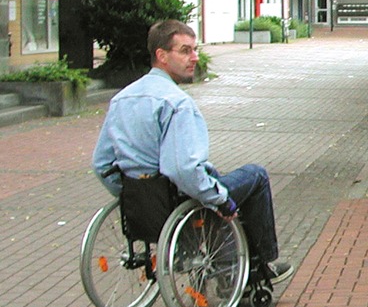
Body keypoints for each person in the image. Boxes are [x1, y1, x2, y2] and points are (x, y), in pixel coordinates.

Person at [92, 19, 292, 284]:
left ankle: (229, 268)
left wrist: (132, 193)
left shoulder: (122, 99)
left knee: (213, 179)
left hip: (144, 205)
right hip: (179, 198)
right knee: (254, 176)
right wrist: (220, 199)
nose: (195, 58)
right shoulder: (177, 104)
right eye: (185, 51)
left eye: (195, 50)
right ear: (162, 56)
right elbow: (182, 169)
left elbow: (102, 163)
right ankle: (260, 266)